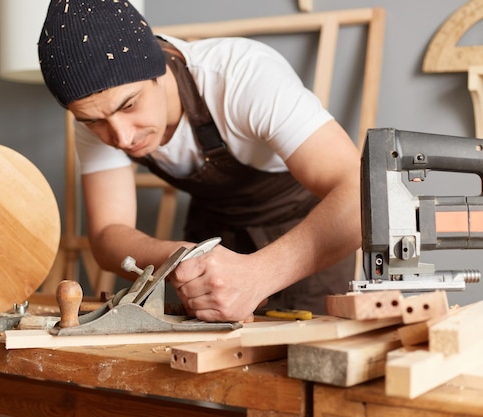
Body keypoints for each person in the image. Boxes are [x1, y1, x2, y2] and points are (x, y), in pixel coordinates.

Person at [38, 0, 361, 320]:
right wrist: (183, 259)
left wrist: (258, 274)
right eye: (94, 121)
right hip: (210, 235)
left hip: (308, 230)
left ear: (159, 68)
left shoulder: (242, 76)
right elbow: (108, 233)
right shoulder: (96, 113)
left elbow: (361, 195)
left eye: (129, 106)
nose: (121, 138)